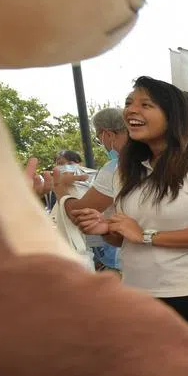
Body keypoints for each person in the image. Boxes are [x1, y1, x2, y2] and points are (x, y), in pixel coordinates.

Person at [73, 77, 188, 336]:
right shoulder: (125, 171)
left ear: (173, 115)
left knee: (186, 374)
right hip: (135, 292)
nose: (131, 110)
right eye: (128, 103)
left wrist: (147, 236)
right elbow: (125, 239)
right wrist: (107, 228)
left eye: (145, 104)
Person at [59, 107, 128, 274]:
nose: (102, 144)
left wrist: (61, 190)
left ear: (108, 134)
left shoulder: (116, 168)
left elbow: (81, 211)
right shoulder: (157, 159)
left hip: (124, 257)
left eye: (99, 138)